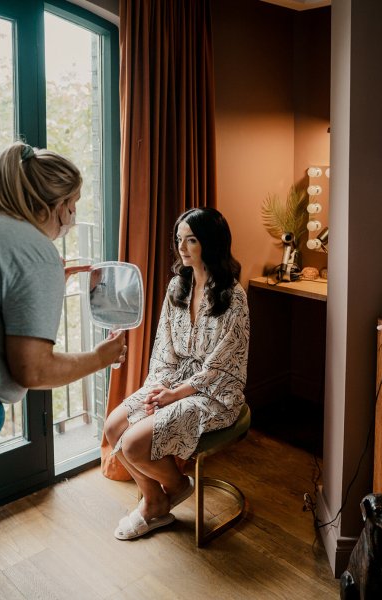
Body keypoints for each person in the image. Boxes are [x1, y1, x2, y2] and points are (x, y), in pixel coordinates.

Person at [104, 207, 249, 540]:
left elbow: (220, 365)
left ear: (210, 243)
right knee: (114, 427)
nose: (182, 247)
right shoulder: (176, 288)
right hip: (173, 379)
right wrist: (158, 390)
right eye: (179, 239)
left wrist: (177, 394)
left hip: (215, 392)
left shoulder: (234, 297)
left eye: (192, 240)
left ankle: (177, 484)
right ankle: (155, 501)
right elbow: (163, 350)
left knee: (132, 444)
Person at [0, 141, 127, 413]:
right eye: (74, 204)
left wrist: (42, 286)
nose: (73, 216)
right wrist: (100, 357)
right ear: (58, 205)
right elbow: (34, 371)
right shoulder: (36, 251)